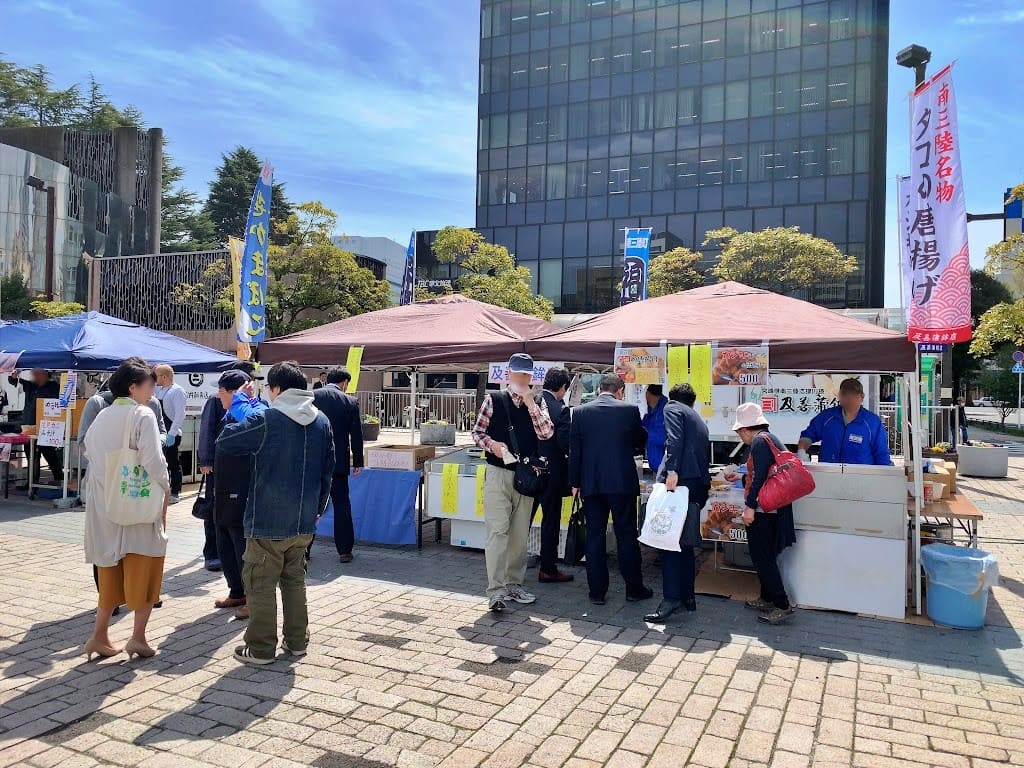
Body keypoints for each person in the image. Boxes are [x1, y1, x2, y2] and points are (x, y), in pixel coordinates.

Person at [217, 361, 335, 664]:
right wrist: (317, 511)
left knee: (260, 584)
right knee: (294, 581)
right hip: (304, 521)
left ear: (277, 389)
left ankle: (260, 648)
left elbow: (226, 441)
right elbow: (328, 472)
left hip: (267, 520)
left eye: (268, 389)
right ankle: (296, 642)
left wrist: (241, 406)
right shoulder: (321, 421)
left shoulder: (267, 419)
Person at [82, 359, 170, 660]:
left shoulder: (103, 415)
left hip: (106, 505)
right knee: (144, 565)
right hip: (138, 502)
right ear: (134, 386)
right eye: (150, 384)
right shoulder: (142, 414)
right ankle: (138, 637)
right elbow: (153, 461)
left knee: (110, 569)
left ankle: (99, 635)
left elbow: (89, 453)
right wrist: (166, 487)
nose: (153, 389)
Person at [471, 353, 554, 613]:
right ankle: (495, 592)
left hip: (526, 476)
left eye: (526, 374)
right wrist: (492, 445)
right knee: (497, 532)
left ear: (531, 376)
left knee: (519, 535)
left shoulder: (538, 401)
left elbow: (547, 432)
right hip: (497, 473)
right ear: (508, 374)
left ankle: (513, 585)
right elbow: (477, 432)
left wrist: (531, 403)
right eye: (517, 373)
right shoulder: (493, 399)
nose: (521, 378)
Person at [569, 374, 652, 606]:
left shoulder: (581, 412)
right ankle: (634, 588)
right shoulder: (629, 410)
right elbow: (640, 440)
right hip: (621, 482)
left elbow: (575, 451)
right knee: (626, 535)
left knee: (594, 536)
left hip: (591, 483)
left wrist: (574, 482)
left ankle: (597, 592)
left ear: (598, 390)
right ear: (620, 390)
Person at [645, 383, 710, 624]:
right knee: (684, 544)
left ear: (672, 398)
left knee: (669, 542)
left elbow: (673, 440)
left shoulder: (672, 408)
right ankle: (687, 599)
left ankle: (671, 599)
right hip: (696, 486)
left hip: (679, 484)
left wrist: (671, 470)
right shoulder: (696, 418)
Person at [730, 403, 796, 625]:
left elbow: (759, 479)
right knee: (765, 556)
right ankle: (766, 597)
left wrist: (749, 507)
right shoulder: (769, 438)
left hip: (764, 510)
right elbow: (765, 476)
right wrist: (740, 479)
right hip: (773, 508)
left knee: (762, 558)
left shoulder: (759, 442)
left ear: (747, 428)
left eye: (739, 431)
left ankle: (782, 604)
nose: (740, 436)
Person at [197, 361, 256, 572]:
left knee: (231, 513)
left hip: (240, 468)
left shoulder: (251, 404)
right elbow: (206, 430)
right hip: (217, 466)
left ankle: (230, 555)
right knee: (214, 509)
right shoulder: (215, 401)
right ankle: (211, 553)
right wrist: (205, 460)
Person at [207, 370, 256, 618]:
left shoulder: (249, 413)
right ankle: (236, 590)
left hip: (242, 488)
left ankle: (251, 595)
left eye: (223, 391)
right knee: (223, 539)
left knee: (241, 543)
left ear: (234, 392)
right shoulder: (226, 414)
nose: (219, 395)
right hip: (223, 487)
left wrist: (242, 401)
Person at [313, 367, 364, 563]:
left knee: (310, 506)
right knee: (342, 506)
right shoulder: (350, 401)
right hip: (338, 464)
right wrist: (358, 460)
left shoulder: (312, 396)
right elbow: (356, 434)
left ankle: (304, 549)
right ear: (344, 383)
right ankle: (344, 550)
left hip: (314, 463)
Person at [534, 367, 573, 583]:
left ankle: (511, 568)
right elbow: (564, 443)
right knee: (550, 521)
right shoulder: (560, 409)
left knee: (521, 520)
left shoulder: (532, 402)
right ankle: (547, 568)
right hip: (552, 474)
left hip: (528, 471)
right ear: (563, 387)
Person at [798, 378, 891, 465]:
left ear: (862, 397)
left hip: (861, 477)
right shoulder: (827, 417)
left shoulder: (872, 422)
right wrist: (801, 451)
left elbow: (882, 453)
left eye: (854, 395)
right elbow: (808, 435)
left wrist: (884, 475)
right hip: (829, 473)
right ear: (839, 396)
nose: (849, 399)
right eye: (845, 395)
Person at [8, 369, 62, 489]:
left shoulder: (54, 387)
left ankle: (59, 478)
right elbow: (13, 381)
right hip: (28, 426)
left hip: (46, 426)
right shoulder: (30, 385)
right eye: (33, 373)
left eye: (37, 373)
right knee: (31, 455)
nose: (34, 376)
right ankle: (32, 483)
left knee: (49, 453)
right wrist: (14, 374)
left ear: (45, 374)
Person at [153, 365, 187, 504]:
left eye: (157, 377)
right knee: (162, 463)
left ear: (165, 377)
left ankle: (175, 492)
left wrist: (172, 434)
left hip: (172, 433)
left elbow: (180, 414)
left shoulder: (177, 391)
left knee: (173, 462)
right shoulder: (159, 390)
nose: (155, 380)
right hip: (160, 432)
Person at [642, 384, 668, 474]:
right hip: (657, 464)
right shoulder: (648, 409)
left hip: (662, 466)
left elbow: (660, 438)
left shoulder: (665, 409)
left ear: (648, 394)